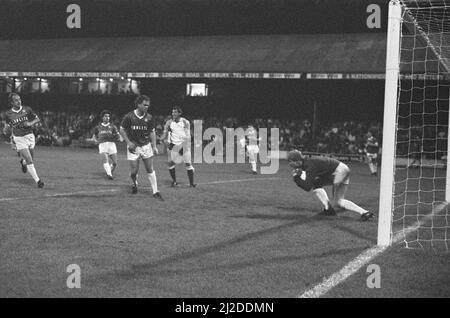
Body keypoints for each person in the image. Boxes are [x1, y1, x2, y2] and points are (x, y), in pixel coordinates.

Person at [287, 150, 373, 221]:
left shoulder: (309, 165)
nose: (290, 164)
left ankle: (365, 212)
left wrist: (296, 178)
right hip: (341, 170)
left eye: (290, 161)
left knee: (338, 201)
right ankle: (328, 209)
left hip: (339, 172)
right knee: (316, 184)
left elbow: (307, 187)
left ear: (297, 160)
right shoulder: (309, 162)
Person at [119, 95, 164, 200]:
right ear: (138, 104)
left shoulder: (149, 117)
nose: (147, 107)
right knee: (134, 171)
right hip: (133, 147)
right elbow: (121, 129)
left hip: (146, 146)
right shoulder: (129, 116)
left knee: (150, 169)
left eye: (148, 105)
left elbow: (152, 132)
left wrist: (154, 146)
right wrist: (128, 142)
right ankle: (135, 183)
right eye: (144, 105)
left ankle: (155, 191)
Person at [1, 93, 44, 188]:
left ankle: (23, 163)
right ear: (12, 102)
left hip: (29, 136)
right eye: (16, 100)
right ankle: (38, 181)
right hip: (19, 138)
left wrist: (30, 123)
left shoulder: (27, 109)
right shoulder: (8, 114)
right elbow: (8, 125)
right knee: (29, 159)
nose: (19, 101)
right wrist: (6, 130)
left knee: (30, 159)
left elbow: (37, 119)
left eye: (19, 99)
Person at [161, 106, 196, 187]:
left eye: (175, 112)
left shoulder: (185, 122)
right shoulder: (169, 122)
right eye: (172, 112)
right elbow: (164, 133)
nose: (173, 114)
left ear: (180, 113)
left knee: (188, 164)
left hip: (183, 145)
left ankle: (191, 184)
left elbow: (188, 135)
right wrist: (161, 139)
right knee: (170, 163)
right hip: (173, 146)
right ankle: (174, 182)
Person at [92, 110, 121, 180]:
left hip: (111, 145)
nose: (107, 118)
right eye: (105, 116)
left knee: (115, 163)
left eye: (108, 116)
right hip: (102, 144)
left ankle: (109, 172)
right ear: (102, 117)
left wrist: (119, 138)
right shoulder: (98, 127)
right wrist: (95, 140)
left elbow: (118, 135)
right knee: (106, 161)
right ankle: (109, 175)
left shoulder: (113, 126)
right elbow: (94, 135)